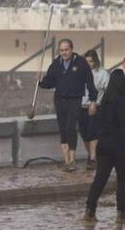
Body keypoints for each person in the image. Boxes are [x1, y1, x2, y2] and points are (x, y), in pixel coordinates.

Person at [83, 67, 125, 222]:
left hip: (103, 145)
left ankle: (89, 211)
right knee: (123, 179)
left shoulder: (105, 99)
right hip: (119, 145)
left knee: (100, 179)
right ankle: (121, 214)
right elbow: (124, 126)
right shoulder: (122, 99)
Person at [38, 38, 98, 171]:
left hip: (74, 100)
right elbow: (50, 82)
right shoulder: (56, 64)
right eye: (61, 50)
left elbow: (90, 82)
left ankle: (72, 160)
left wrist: (93, 101)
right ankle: (67, 161)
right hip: (59, 100)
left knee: (71, 128)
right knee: (63, 130)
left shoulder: (81, 63)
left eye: (66, 50)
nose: (64, 53)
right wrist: (40, 81)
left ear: (71, 49)